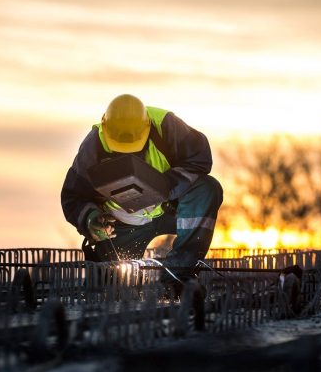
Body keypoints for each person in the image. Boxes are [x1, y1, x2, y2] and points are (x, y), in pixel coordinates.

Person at [61, 94, 223, 287]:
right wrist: (91, 219)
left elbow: (200, 159)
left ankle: (178, 274)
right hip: (121, 224)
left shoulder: (165, 126)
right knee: (106, 285)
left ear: (147, 129)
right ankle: (105, 281)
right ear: (106, 130)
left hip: (169, 209)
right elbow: (72, 196)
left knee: (207, 189)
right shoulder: (94, 146)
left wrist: (165, 187)